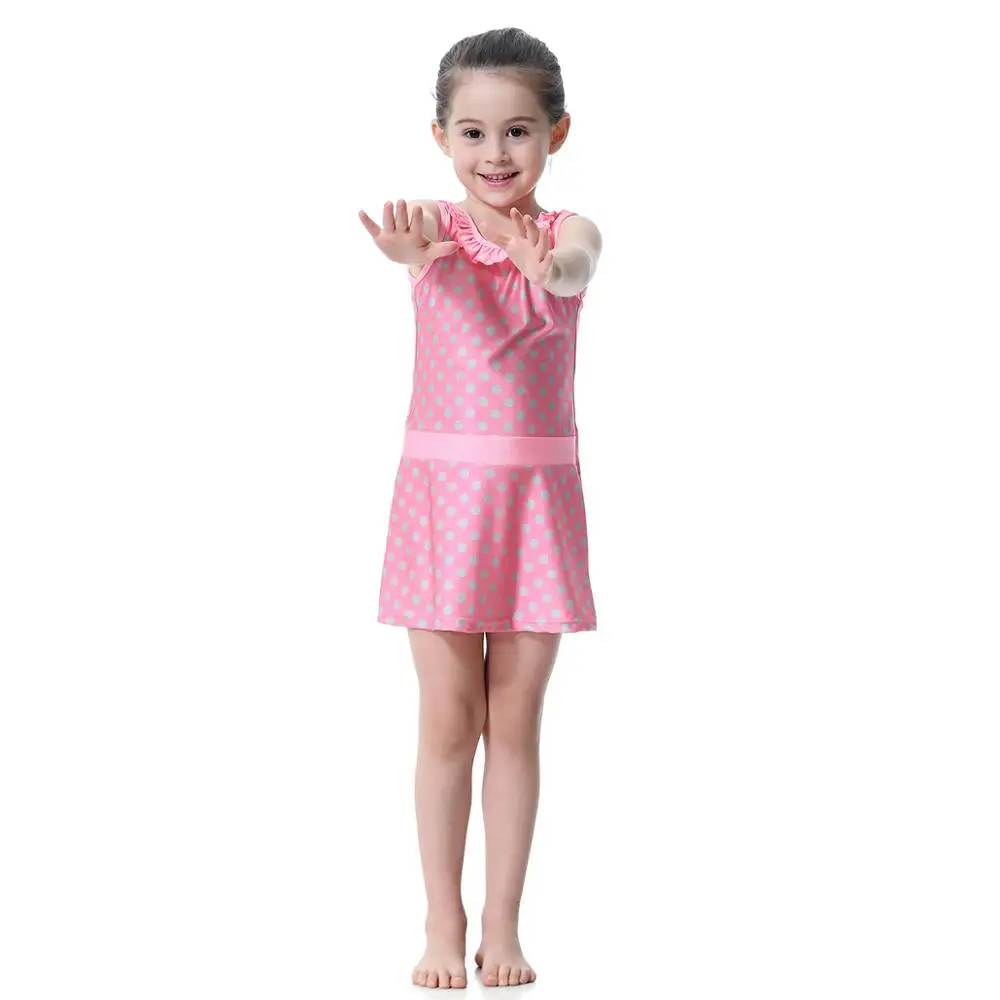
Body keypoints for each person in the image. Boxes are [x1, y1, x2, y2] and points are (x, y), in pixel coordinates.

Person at [358, 26, 602, 990]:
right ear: (441, 137)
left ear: (556, 133)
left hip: (537, 505)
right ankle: (441, 921)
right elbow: (414, 248)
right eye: (472, 133)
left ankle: (504, 922)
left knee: (516, 720)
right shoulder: (432, 229)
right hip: (441, 507)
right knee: (449, 721)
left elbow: (574, 270)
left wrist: (540, 262)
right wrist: (413, 255)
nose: (495, 154)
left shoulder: (569, 232)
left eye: (517, 132)